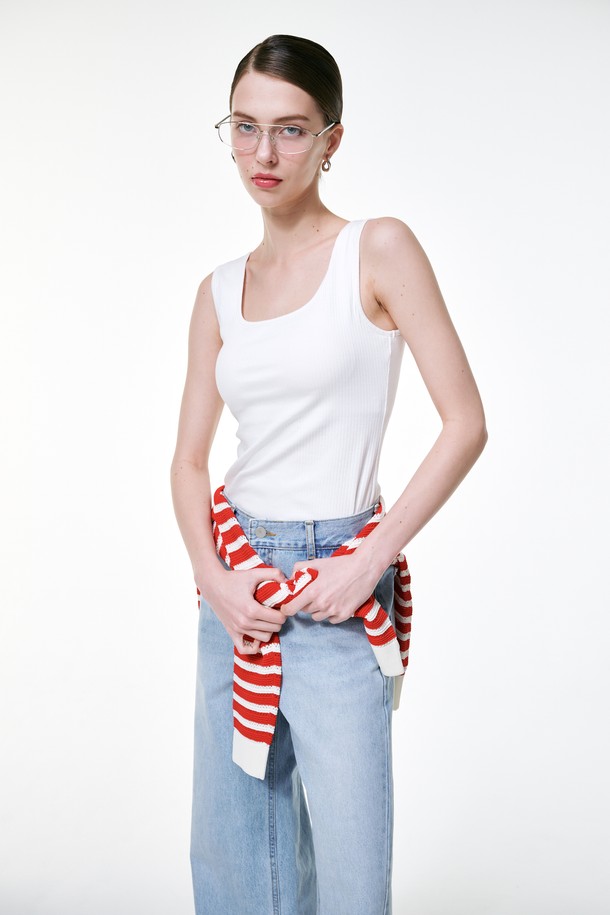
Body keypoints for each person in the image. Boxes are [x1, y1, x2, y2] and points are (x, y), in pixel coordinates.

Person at [170, 33, 487, 915]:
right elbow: (188, 460)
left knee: (352, 876)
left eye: (291, 130)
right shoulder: (218, 290)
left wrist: (364, 561)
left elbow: (466, 421)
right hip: (236, 587)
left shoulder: (377, 249)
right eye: (245, 127)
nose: (264, 153)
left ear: (331, 140)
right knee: (234, 866)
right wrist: (214, 582)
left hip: (338, 587)